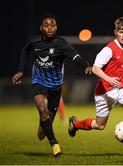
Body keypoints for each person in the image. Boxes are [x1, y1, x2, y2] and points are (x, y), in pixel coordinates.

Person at [68, 17, 123, 155]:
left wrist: (117, 82)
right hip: (104, 92)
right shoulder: (108, 49)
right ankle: (75, 124)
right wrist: (109, 79)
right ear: (115, 32)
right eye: (121, 31)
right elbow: (95, 68)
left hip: (121, 88)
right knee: (100, 125)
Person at [12, 13, 92, 157]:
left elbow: (76, 57)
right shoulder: (34, 41)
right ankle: (55, 144)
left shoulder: (62, 43)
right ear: (41, 28)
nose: (50, 28)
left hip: (55, 86)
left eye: (53, 25)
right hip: (39, 82)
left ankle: (44, 123)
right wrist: (20, 71)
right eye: (46, 25)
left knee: (45, 122)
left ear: (56, 27)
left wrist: (86, 65)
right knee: (43, 111)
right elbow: (25, 51)